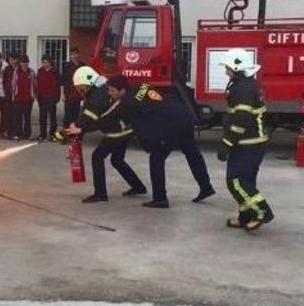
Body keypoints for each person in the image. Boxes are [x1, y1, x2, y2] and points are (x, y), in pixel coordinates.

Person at [107, 75, 215, 209]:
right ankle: (206, 187)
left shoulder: (127, 102)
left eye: (112, 90)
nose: (109, 93)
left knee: (156, 158)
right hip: (183, 115)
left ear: (122, 90)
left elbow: (111, 117)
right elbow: (147, 95)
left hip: (171, 124)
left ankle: (160, 199)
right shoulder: (141, 86)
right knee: (192, 153)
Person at [67, 67, 147, 203]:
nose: (78, 90)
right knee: (117, 160)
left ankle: (100, 194)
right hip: (127, 129)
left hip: (116, 131)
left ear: (86, 85)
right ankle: (138, 187)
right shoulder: (103, 86)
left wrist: (72, 132)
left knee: (97, 157)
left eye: (80, 87)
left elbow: (90, 121)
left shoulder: (95, 98)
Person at [217, 48, 274, 231]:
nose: (225, 72)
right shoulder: (246, 85)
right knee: (246, 181)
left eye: (227, 68)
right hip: (251, 142)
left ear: (236, 67)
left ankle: (262, 211)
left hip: (248, 143)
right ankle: (246, 216)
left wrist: (226, 143)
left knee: (235, 181)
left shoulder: (243, 89)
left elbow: (241, 120)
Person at [35, 55, 61, 141]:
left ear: (50, 62)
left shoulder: (55, 71)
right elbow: (37, 83)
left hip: (51, 97)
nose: (44, 64)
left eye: (46, 62)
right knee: (42, 116)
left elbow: (58, 85)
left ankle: (52, 134)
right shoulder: (40, 71)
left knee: (52, 117)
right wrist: (37, 95)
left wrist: (57, 97)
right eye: (43, 62)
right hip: (42, 97)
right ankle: (42, 134)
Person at [9, 54, 35, 141]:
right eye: (22, 62)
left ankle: (27, 134)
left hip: (28, 99)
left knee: (27, 118)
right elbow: (13, 84)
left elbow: (35, 84)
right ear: (20, 63)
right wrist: (13, 95)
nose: (24, 64)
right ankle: (17, 133)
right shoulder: (16, 72)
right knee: (17, 117)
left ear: (28, 63)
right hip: (18, 98)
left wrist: (34, 95)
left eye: (26, 62)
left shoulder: (31, 72)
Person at [61, 47, 85, 129]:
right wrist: (63, 95)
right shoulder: (67, 66)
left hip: (78, 94)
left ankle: (74, 133)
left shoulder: (82, 65)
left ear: (79, 54)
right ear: (70, 56)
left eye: (76, 54)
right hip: (69, 94)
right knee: (68, 114)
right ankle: (66, 132)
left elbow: (86, 79)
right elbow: (62, 81)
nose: (74, 56)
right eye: (72, 54)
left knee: (76, 114)